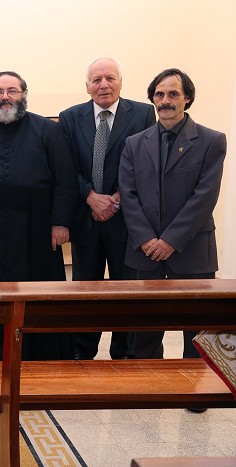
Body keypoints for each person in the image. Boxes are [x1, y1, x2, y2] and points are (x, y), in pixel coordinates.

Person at [0, 71, 78, 366]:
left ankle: (39, 355)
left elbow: (65, 179)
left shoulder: (49, 132)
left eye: (12, 91)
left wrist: (60, 223)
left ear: (24, 95)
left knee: (36, 290)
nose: (5, 97)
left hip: (36, 227)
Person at [119, 68, 227, 361]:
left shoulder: (211, 141)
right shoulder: (134, 143)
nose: (165, 100)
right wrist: (146, 238)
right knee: (144, 329)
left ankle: (195, 383)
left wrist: (169, 241)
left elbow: (204, 197)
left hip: (192, 250)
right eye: (159, 94)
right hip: (144, 251)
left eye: (173, 94)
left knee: (196, 331)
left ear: (187, 98)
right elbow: (128, 194)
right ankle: (147, 378)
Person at [59, 58, 155, 360]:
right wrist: (90, 196)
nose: (104, 85)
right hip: (85, 218)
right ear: (87, 86)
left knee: (125, 289)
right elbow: (65, 166)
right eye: (97, 79)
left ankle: (123, 351)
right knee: (85, 289)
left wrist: (117, 198)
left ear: (121, 82)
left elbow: (147, 163)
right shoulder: (69, 117)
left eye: (110, 78)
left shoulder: (143, 114)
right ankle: (82, 350)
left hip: (126, 220)